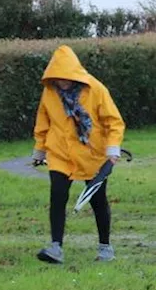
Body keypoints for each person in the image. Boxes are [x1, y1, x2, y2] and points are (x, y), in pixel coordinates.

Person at [32, 45, 125, 264]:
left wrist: (113, 149)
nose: (61, 82)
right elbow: (43, 120)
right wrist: (40, 149)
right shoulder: (50, 92)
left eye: (65, 77)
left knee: (98, 200)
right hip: (60, 153)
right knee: (57, 196)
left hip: (93, 154)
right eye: (57, 78)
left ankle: (105, 247)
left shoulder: (96, 89)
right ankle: (56, 247)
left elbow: (113, 121)